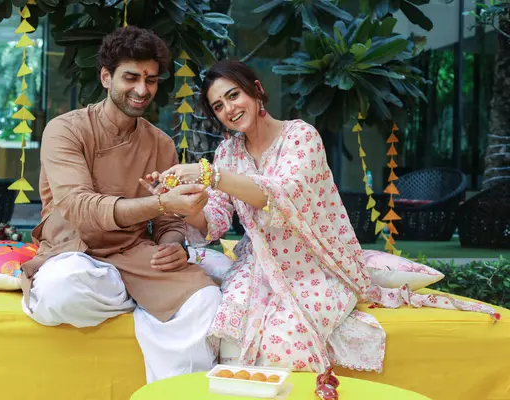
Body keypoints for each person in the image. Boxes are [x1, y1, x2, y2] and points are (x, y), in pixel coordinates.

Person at [149, 60, 497, 379]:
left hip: (314, 264)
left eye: (233, 95)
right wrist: (184, 205)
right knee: (230, 342)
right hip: (257, 264)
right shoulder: (227, 152)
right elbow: (218, 218)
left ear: (255, 89)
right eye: (219, 106)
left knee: (282, 349)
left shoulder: (300, 137)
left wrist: (209, 175)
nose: (229, 109)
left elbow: (279, 194)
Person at [20, 26, 222, 383]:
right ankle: (139, 299)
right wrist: (158, 203)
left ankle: (171, 391)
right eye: (130, 77)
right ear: (105, 76)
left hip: (133, 254)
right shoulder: (65, 130)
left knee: (204, 300)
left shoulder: (160, 144)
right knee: (61, 290)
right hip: (73, 252)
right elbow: (80, 206)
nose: (142, 90)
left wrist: (172, 245)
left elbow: (168, 223)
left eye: (151, 79)